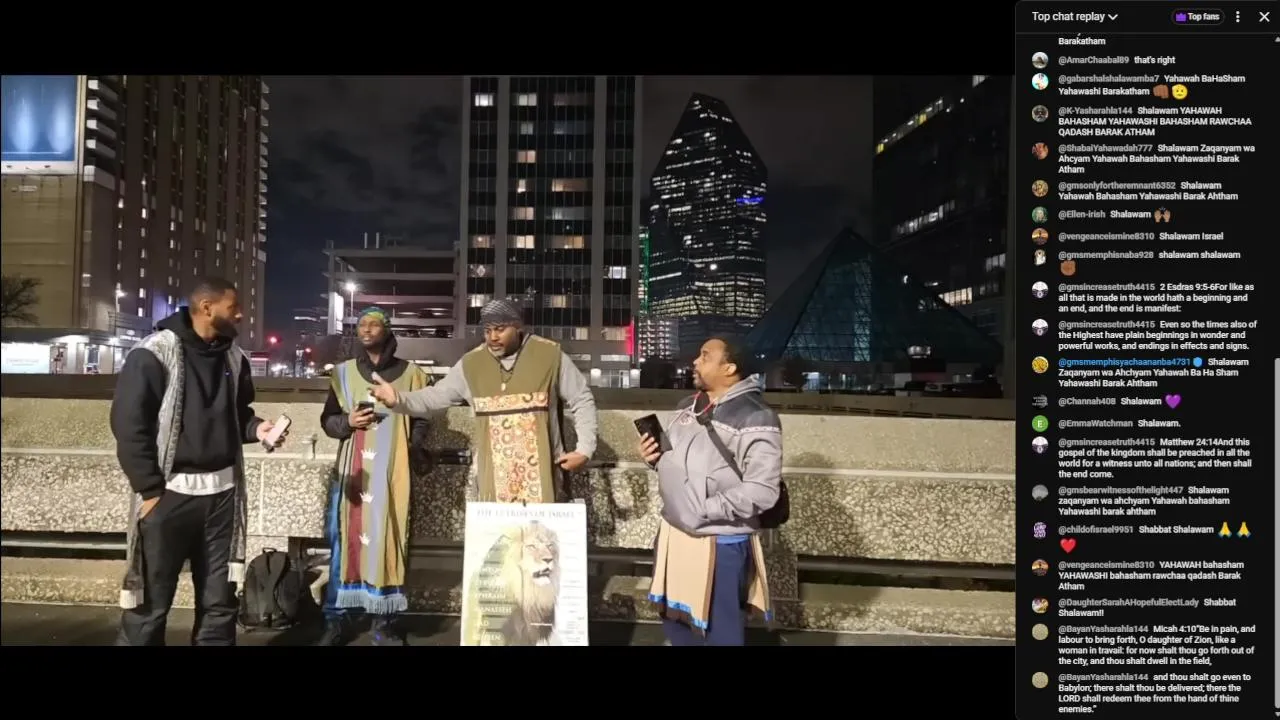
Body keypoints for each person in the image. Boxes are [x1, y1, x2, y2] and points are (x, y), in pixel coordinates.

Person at [111, 277, 287, 646]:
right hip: (169, 495)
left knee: (219, 603)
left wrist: (258, 429)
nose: (240, 314)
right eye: (233, 307)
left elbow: (237, 415)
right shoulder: (154, 352)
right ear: (207, 308)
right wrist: (150, 491)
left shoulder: (234, 358)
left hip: (222, 495)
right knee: (150, 604)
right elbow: (129, 425)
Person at [368, 298, 597, 505]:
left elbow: (581, 398)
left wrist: (585, 449)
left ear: (518, 327)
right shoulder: (472, 363)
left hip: (545, 485)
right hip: (493, 487)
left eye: (500, 329)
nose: (492, 337)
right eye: (487, 331)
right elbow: (436, 397)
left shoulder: (549, 356)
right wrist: (399, 399)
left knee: (541, 539)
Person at [639, 336, 780, 646]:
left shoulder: (757, 416)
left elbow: (763, 490)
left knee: (721, 633)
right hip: (675, 534)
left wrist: (703, 508)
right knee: (677, 625)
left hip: (720, 542)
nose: (695, 361)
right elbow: (675, 463)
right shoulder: (685, 407)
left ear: (729, 368)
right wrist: (654, 459)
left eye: (705, 356)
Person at [316, 307, 432, 646]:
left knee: (391, 539)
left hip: (393, 474)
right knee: (344, 542)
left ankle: (386, 621)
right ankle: (337, 620)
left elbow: (423, 417)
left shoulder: (412, 374)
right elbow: (328, 420)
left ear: (387, 330)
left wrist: (410, 445)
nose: (366, 329)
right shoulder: (342, 373)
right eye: (361, 324)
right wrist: (348, 423)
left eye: (374, 324)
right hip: (355, 474)